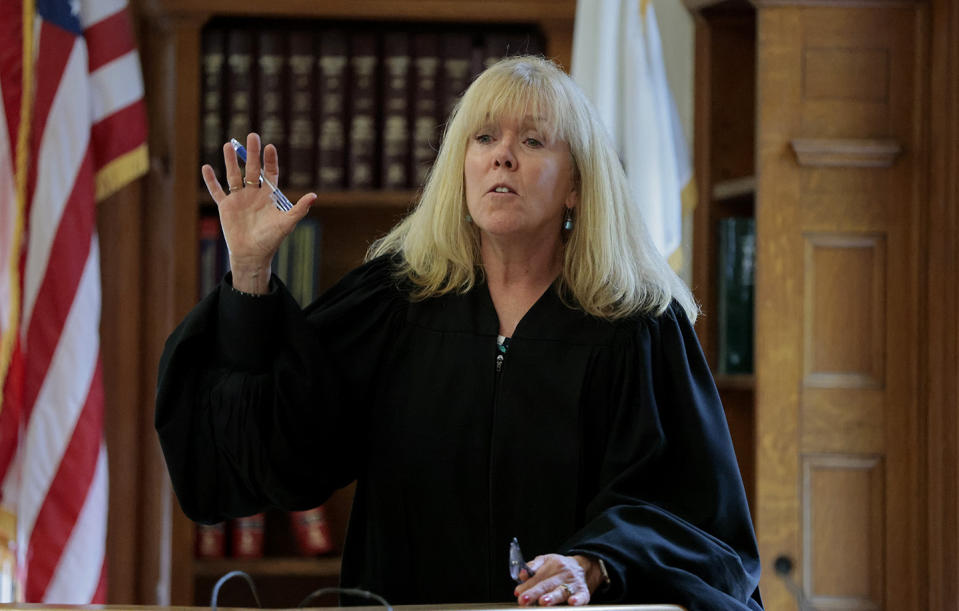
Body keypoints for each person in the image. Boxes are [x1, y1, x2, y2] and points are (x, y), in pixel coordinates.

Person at [155, 55, 763, 610]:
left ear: (577, 183)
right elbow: (281, 445)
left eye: (532, 140)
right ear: (461, 167)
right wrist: (250, 271)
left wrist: (595, 563)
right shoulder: (396, 303)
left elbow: (696, 519)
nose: (503, 156)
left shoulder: (636, 326)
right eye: (484, 138)